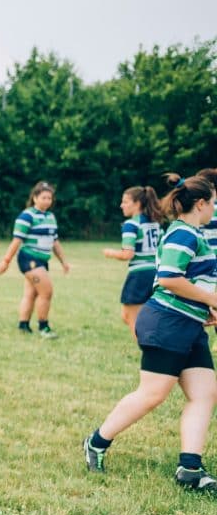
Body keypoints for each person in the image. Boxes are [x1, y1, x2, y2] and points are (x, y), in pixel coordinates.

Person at [83, 173, 217, 492]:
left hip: (188, 324)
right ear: (200, 204)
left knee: (204, 394)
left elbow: (191, 281)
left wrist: (206, 308)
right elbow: (170, 277)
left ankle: (190, 468)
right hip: (166, 323)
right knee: (152, 394)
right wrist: (212, 299)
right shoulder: (183, 233)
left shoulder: (191, 232)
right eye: (213, 203)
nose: (215, 209)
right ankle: (96, 442)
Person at [0, 181, 71, 338]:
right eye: (43, 197)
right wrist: (6, 261)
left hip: (42, 261)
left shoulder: (50, 217)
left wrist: (63, 261)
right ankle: (43, 327)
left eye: (49, 198)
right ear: (35, 198)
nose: (47, 201)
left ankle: (23, 325)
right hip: (29, 259)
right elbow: (16, 240)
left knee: (31, 294)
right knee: (47, 291)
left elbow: (54, 242)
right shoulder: (27, 216)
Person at [102, 185, 162, 338]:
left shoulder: (131, 224)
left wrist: (110, 253)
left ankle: (148, 350)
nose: (121, 205)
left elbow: (127, 254)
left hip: (139, 275)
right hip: (155, 273)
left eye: (125, 202)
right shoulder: (155, 223)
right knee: (129, 315)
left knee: (131, 317)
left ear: (137, 204)